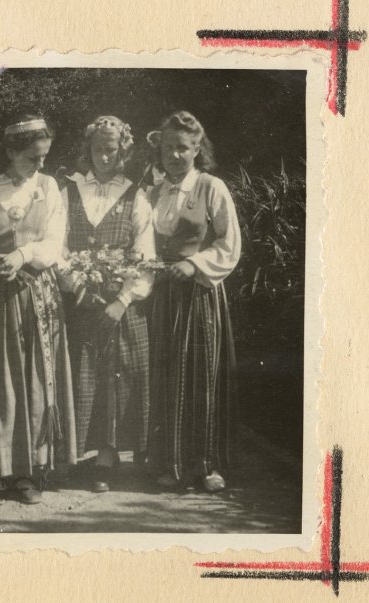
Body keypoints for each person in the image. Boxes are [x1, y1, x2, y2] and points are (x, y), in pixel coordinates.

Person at [0, 114, 76, 506]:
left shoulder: (48, 187)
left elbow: (53, 243)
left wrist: (22, 255)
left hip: (38, 295)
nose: (40, 164)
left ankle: (28, 471)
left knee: (35, 378)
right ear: (9, 152)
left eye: (44, 157)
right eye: (32, 157)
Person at [60, 116, 156, 493]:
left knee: (119, 376)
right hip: (82, 300)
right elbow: (59, 247)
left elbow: (145, 255)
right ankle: (78, 455)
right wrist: (77, 286)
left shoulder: (136, 195)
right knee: (84, 376)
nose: (103, 157)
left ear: (123, 152)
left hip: (121, 305)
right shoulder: (70, 190)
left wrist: (122, 299)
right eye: (98, 149)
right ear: (88, 149)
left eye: (111, 150)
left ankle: (108, 455)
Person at [147, 110, 241, 492]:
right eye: (168, 147)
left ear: (197, 149)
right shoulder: (152, 191)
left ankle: (207, 465)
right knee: (166, 378)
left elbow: (229, 243)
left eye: (183, 148)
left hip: (200, 294)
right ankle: (168, 464)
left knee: (202, 377)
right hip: (162, 297)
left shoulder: (211, 187)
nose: (175, 155)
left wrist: (194, 264)